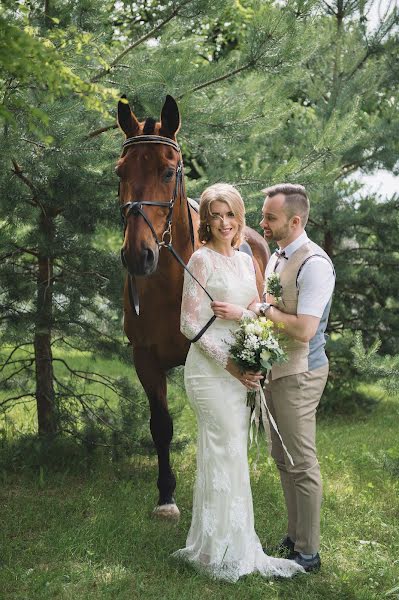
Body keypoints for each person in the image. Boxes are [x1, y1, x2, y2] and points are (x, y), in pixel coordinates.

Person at [172, 183, 304, 582]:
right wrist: (232, 366)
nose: (224, 223)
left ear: (239, 217)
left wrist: (249, 336)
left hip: (242, 370)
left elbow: (255, 312)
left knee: (230, 453)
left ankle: (228, 541)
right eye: (216, 215)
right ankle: (217, 549)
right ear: (206, 220)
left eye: (231, 214)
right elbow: (189, 323)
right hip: (211, 372)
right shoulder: (200, 260)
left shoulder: (247, 261)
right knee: (224, 447)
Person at [255, 183, 335, 572]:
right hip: (275, 370)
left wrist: (262, 311)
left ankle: (309, 554)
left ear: (295, 220)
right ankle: (294, 537)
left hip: (301, 372)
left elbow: (303, 330)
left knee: (301, 462)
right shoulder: (276, 258)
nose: (262, 223)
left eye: (270, 217)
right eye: (264, 215)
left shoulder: (314, 264)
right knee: (282, 458)